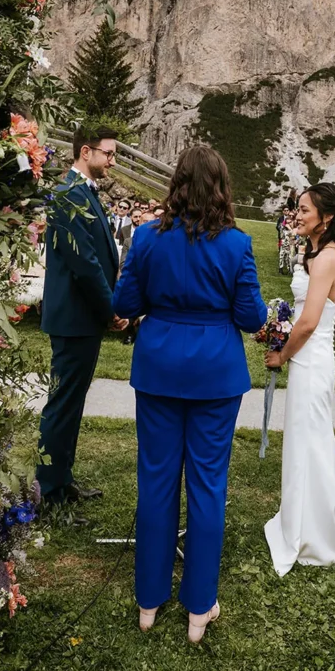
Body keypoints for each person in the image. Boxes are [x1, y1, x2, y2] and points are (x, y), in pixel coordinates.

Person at [113, 144, 267, 643]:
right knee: (207, 486)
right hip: (215, 374)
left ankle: (148, 601)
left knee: (156, 480)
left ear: (176, 184)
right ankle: (200, 607)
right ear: (221, 187)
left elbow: (125, 301)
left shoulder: (146, 238)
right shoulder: (236, 245)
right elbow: (251, 317)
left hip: (158, 366)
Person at [263, 183, 335, 576]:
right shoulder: (316, 252)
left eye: (305, 210)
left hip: (312, 362)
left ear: (327, 217)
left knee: (313, 440)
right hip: (308, 360)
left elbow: (310, 321)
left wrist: (281, 353)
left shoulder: (328, 257)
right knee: (305, 439)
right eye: (296, 209)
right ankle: (301, 517)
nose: (298, 215)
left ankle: (315, 532)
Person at [37, 125, 128, 505]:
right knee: (62, 405)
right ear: (86, 151)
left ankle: (63, 478)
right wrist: (112, 310)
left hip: (82, 319)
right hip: (75, 318)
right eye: (108, 153)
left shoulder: (84, 193)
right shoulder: (67, 195)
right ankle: (50, 490)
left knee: (72, 403)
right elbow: (85, 264)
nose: (112, 160)